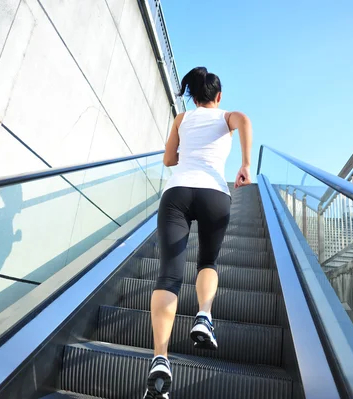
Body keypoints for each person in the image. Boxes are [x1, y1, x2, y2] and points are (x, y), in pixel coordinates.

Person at [143, 66, 253, 399]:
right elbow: (244, 120)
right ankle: (203, 316)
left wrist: (185, 153)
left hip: (177, 194)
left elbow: (167, 159)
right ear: (218, 96)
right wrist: (245, 164)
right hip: (214, 194)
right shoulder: (227, 116)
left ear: (193, 96)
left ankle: (160, 358)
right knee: (207, 262)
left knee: (168, 276)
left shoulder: (181, 119)